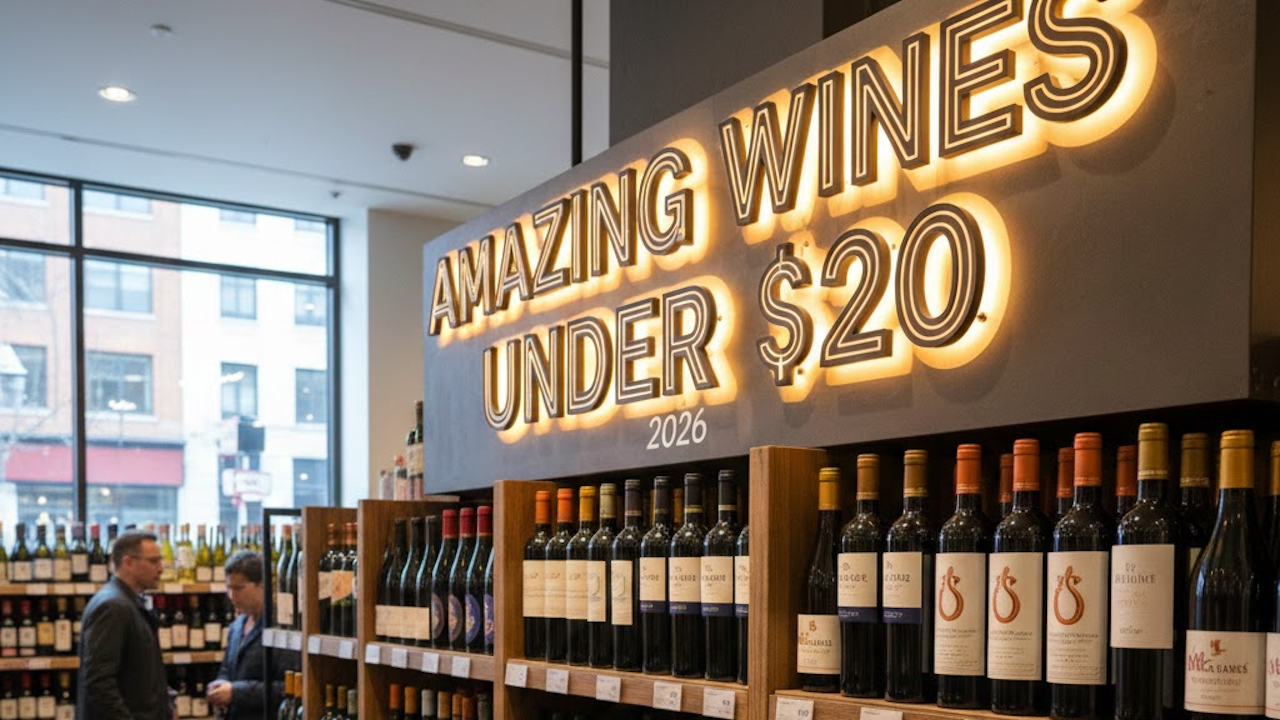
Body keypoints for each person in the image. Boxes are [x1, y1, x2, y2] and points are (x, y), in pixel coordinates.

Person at [78, 529, 171, 720]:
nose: (161, 568)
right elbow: (99, 682)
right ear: (128, 562)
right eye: (154, 561)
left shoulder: (126, 602)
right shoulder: (113, 607)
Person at [207, 551, 280, 720]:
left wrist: (235, 692)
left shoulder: (281, 627)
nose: (232, 596)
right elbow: (227, 669)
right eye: (228, 588)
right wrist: (220, 683)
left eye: (238, 588)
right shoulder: (237, 626)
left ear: (262, 585)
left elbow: (287, 688)